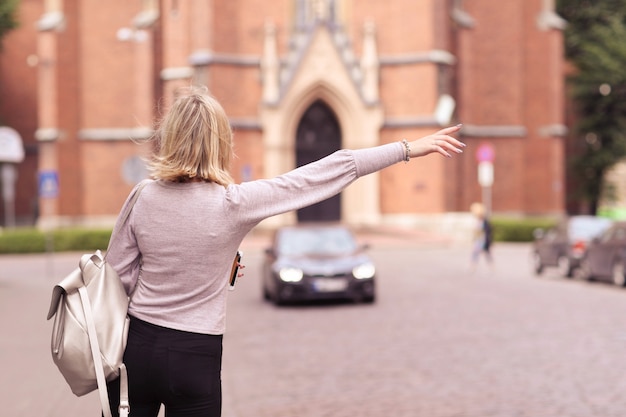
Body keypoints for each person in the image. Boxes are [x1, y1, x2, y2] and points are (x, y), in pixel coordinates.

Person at [104, 85, 465, 417]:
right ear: (220, 143)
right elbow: (325, 172)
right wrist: (405, 149)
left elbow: (116, 276)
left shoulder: (142, 196)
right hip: (196, 354)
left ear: (170, 138)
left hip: (140, 348)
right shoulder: (234, 203)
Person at [470, 201, 493, 271]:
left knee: (487, 253)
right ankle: (473, 266)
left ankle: (491, 266)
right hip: (478, 240)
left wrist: (489, 241)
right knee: (475, 253)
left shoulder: (485, 222)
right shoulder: (476, 221)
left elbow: (488, 231)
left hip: (483, 240)